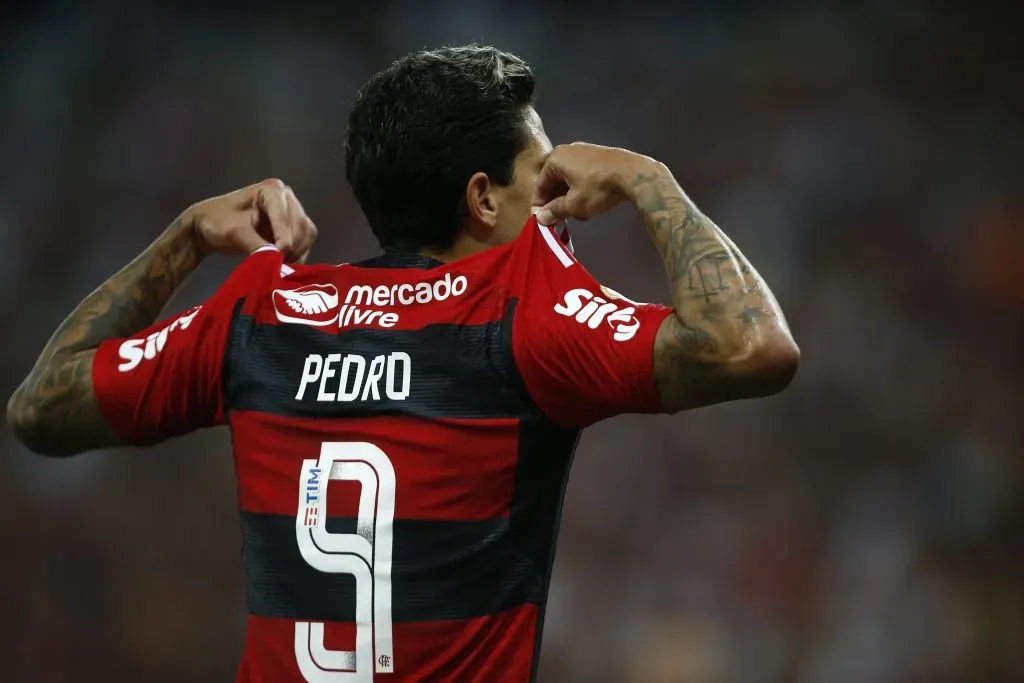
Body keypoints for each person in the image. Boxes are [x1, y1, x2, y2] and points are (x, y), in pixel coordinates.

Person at [7, 45, 798, 683]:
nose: (561, 205)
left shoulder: (259, 308)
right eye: (546, 179)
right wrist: (645, 178)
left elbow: (41, 407)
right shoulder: (518, 303)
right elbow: (750, 345)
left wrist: (186, 235)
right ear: (483, 199)